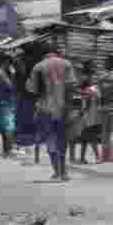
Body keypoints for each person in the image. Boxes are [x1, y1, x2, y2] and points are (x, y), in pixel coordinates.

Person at [27, 44, 76, 180]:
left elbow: (33, 89)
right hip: (63, 107)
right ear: (55, 52)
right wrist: (69, 106)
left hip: (45, 108)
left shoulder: (38, 67)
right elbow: (71, 86)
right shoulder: (66, 64)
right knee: (62, 138)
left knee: (50, 138)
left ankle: (57, 171)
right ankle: (64, 172)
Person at [69, 61, 101, 164]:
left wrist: (81, 113)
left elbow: (86, 104)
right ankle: (95, 157)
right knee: (91, 138)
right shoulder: (95, 88)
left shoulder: (88, 90)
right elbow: (97, 100)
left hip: (87, 118)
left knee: (82, 138)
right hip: (95, 117)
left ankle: (79, 158)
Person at [0, 56, 18, 159]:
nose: (10, 66)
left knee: (4, 127)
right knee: (9, 127)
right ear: (5, 63)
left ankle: (5, 150)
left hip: (1, 102)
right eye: (9, 63)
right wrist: (13, 75)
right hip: (7, 103)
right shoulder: (2, 73)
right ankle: (8, 151)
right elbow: (10, 86)